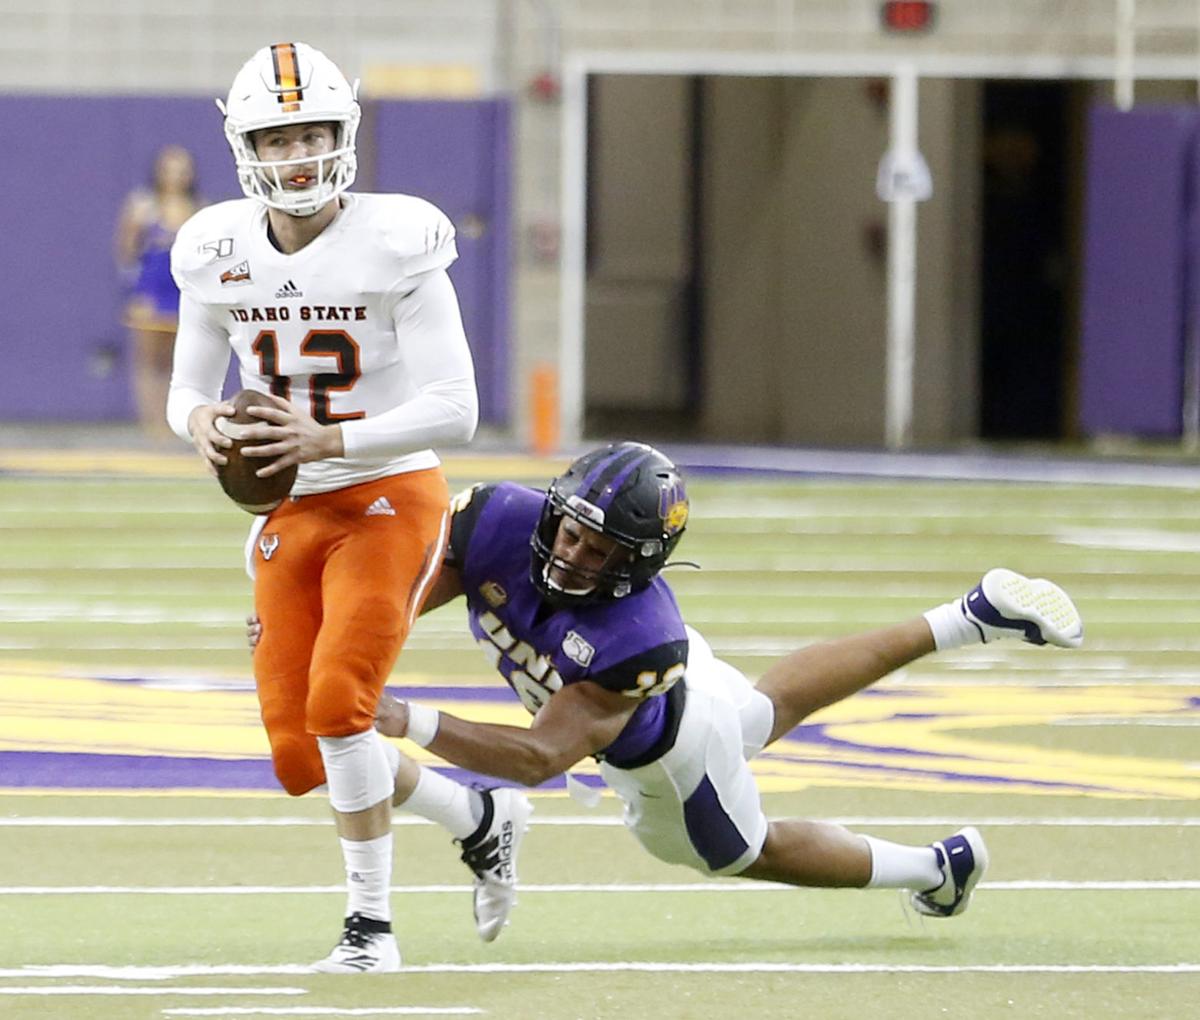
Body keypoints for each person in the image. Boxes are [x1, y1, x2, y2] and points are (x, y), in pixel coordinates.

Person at [368, 441, 1084, 917]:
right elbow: (397, 597)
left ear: (639, 565)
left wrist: (406, 719)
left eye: (600, 549)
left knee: (749, 851)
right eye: (571, 531)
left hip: (670, 756)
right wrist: (329, 643)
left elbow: (539, 758)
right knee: (765, 709)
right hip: (688, 689)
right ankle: (970, 615)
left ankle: (937, 869)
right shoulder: (496, 519)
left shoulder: (637, 635)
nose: (573, 553)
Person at [167, 41, 530, 974]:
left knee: (340, 706)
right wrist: (205, 420)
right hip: (293, 509)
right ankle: (478, 811)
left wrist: (332, 441)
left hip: (389, 493)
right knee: (300, 756)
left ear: (346, 135)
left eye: (314, 132)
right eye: (278, 136)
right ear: (247, 147)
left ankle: (370, 928)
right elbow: (185, 394)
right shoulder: (215, 250)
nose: (297, 154)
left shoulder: (397, 238)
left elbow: (458, 408)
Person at [115, 144, 202, 438]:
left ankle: (174, 420)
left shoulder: (198, 208)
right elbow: (127, 250)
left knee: (179, 359)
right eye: (169, 169)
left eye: (182, 169)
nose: (176, 175)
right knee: (150, 360)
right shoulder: (143, 205)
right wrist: (134, 288)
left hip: (183, 292)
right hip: (152, 291)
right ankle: (151, 423)